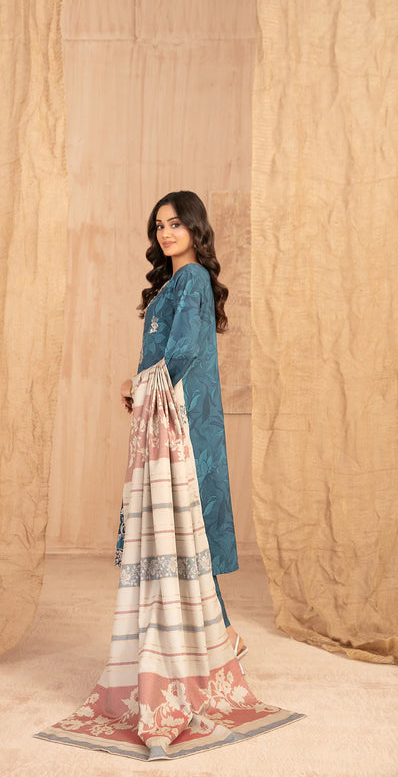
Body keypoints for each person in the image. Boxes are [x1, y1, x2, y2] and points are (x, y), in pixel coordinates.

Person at [116, 190, 246, 659]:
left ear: (195, 228)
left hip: (181, 419)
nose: (166, 233)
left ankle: (220, 636)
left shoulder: (191, 277)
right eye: (159, 226)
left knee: (185, 524)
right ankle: (214, 636)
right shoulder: (175, 284)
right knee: (181, 527)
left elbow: (185, 351)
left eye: (175, 224)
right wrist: (143, 392)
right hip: (169, 411)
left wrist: (140, 386)